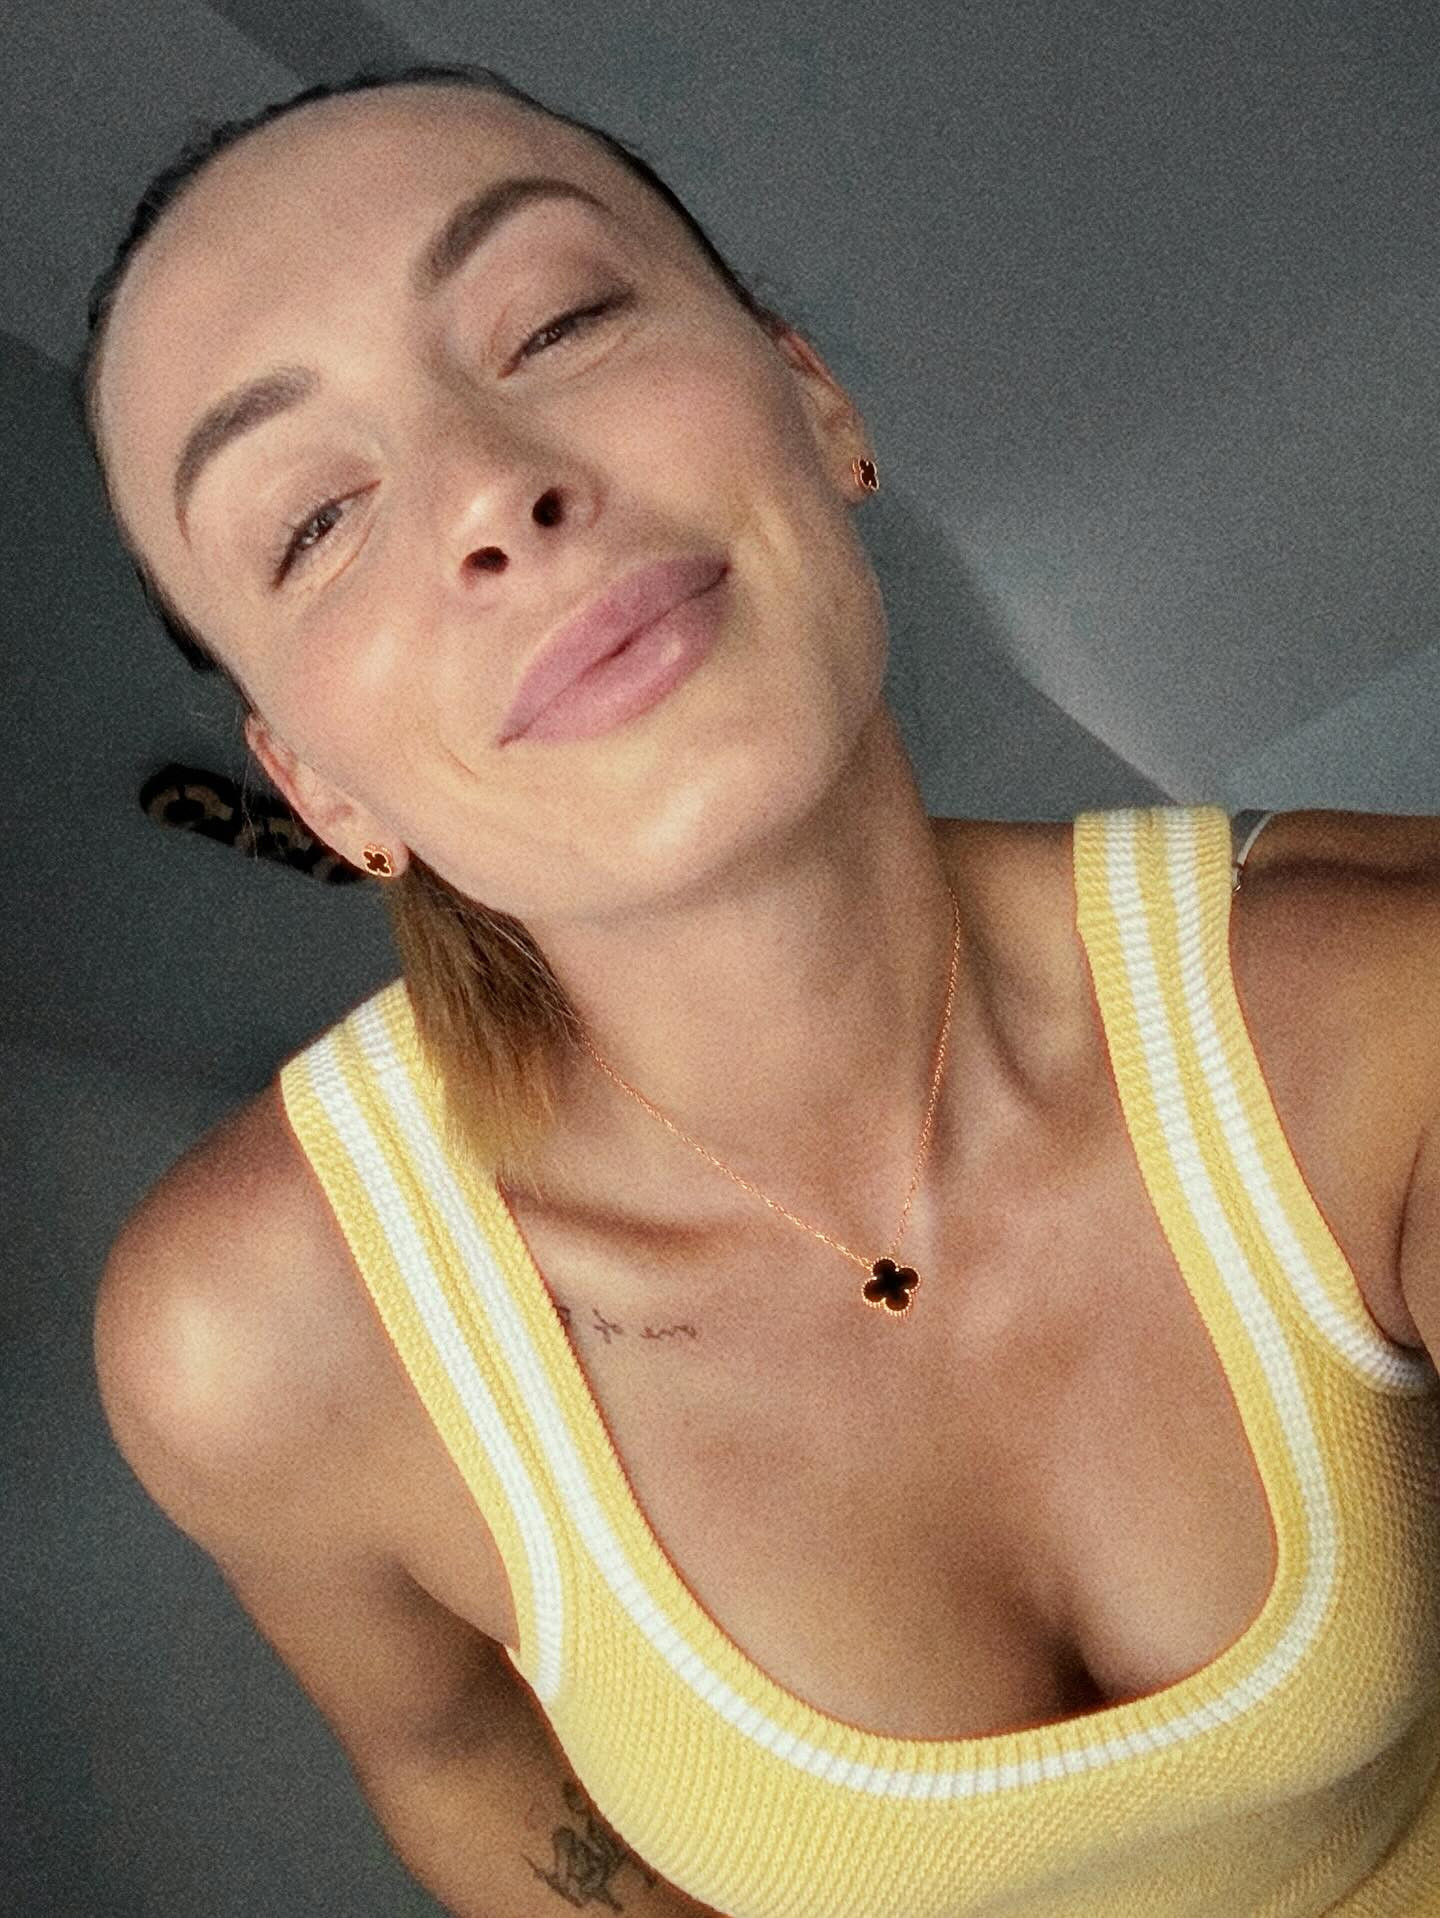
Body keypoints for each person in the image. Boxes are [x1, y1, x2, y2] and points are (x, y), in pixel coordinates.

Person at [81, 61, 1440, 1918]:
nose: (490, 491)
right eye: (313, 519)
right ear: (321, 790)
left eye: (555, 321)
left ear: (817, 401)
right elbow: (459, 1768)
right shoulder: (254, 1345)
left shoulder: (1381, 999)